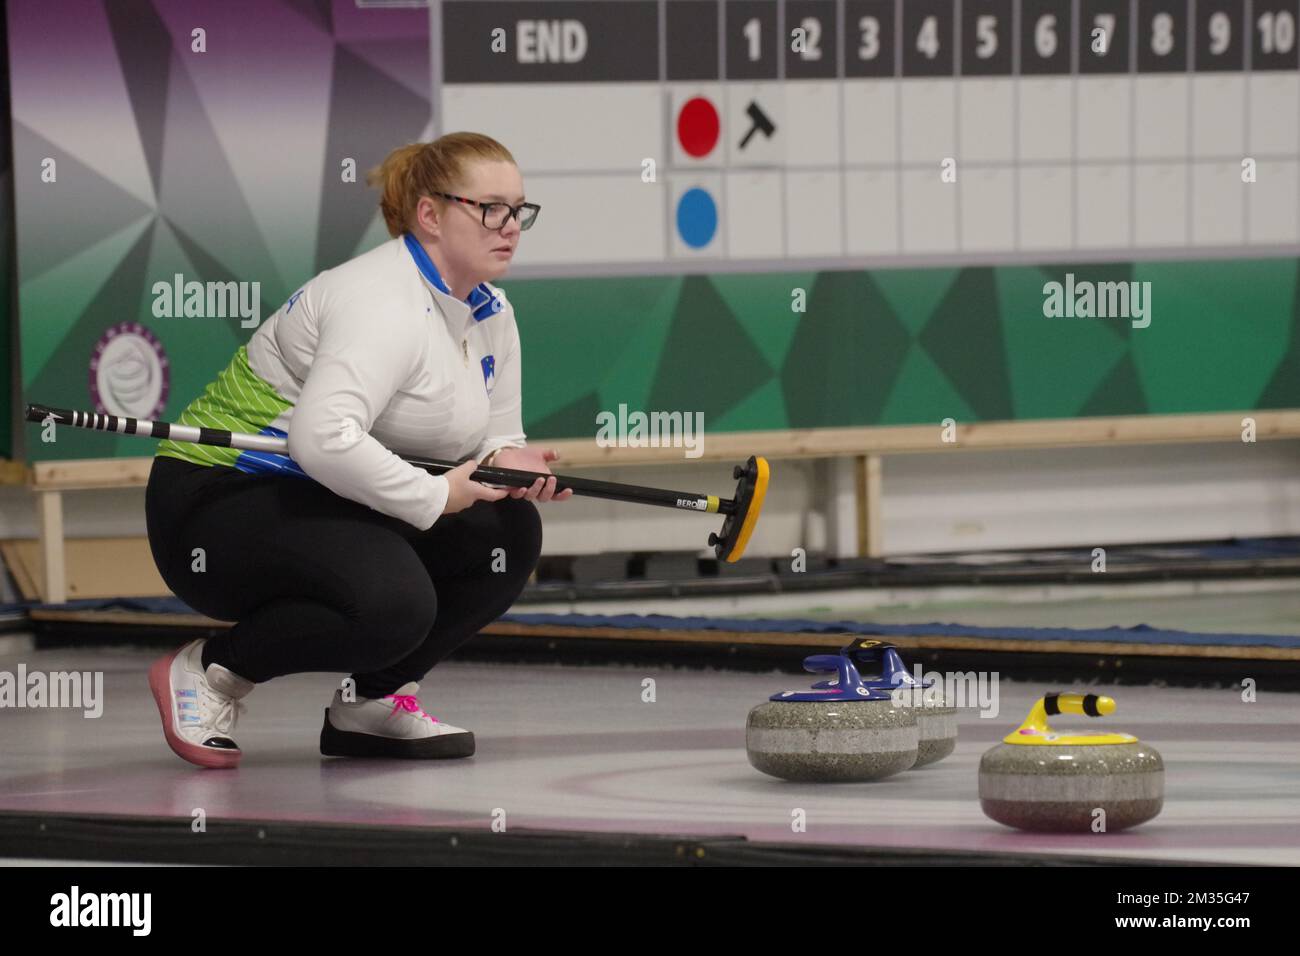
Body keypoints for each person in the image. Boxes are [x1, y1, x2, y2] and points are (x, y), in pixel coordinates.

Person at [144, 132, 571, 769]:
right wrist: (436, 494)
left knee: (506, 532)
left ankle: (374, 702)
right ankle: (211, 674)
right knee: (394, 603)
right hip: (220, 495)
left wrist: (513, 464)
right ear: (430, 214)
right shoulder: (381, 303)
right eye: (490, 209)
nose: (510, 226)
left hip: (318, 489)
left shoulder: (491, 311)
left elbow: (495, 439)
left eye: (518, 210)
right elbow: (322, 439)